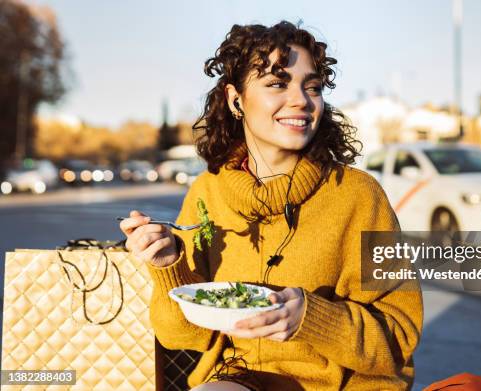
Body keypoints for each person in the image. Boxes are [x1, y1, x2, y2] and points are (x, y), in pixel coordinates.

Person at [120, 21, 423, 391]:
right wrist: (168, 268)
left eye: (312, 87)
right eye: (277, 83)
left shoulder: (360, 194)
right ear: (235, 99)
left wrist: (312, 319)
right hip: (239, 378)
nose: (301, 100)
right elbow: (181, 338)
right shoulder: (206, 192)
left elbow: (399, 337)